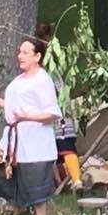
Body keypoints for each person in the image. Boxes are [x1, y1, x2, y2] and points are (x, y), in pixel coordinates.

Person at [0, 37, 63, 215]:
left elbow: (53, 113)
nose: (20, 56)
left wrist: (27, 117)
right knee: (4, 172)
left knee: (34, 178)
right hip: (15, 138)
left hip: (35, 140)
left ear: (37, 56)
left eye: (25, 53)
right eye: (19, 52)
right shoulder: (19, 80)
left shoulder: (42, 80)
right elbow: (14, 107)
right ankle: (18, 210)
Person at [33, 23, 82, 192]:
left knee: (63, 148)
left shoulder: (46, 73)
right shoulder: (50, 72)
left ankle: (74, 181)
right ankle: (64, 182)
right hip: (55, 114)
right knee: (61, 151)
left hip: (56, 116)